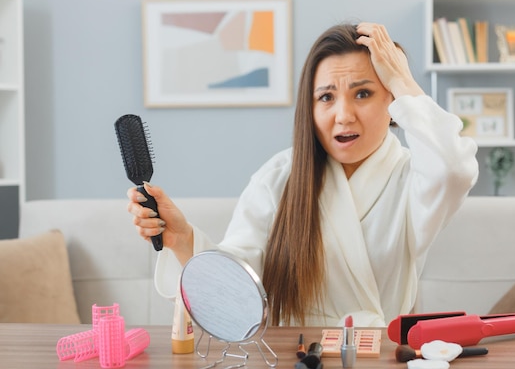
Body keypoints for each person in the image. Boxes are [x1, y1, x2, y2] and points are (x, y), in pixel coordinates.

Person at [127, 22, 478, 327]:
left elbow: (454, 169)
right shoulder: (279, 177)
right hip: (292, 361)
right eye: (326, 97)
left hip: (378, 361)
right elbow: (238, 285)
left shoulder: (414, 178)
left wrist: (403, 79)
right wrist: (184, 240)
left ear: (393, 101)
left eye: (363, 93)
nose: (343, 115)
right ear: (309, 109)